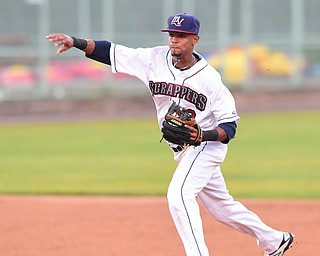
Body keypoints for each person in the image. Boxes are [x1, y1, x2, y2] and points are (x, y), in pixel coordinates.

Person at [46, 13, 294, 256]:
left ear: (194, 39)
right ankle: (275, 240)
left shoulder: (209, 79)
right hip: (182, 150)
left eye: (181, 35)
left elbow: (230, 128)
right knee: (222, 209)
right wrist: (75, 42)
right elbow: (111, 52)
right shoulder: (154, 59)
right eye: (172, 34)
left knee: (179, 195)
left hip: (205, 147)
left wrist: (202, 135)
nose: (174, 40)